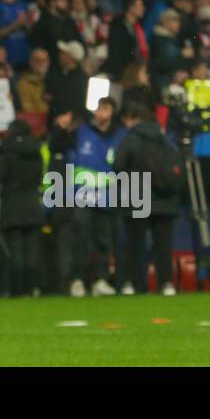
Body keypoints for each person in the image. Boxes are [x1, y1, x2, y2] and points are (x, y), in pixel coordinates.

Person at [114, 95, 182, 296]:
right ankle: (166, 283)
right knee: (163, 245)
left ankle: (138, 283)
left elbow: (118, 166)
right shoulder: (164, 137)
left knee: (136, 244)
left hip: (137, 196)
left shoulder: (130, 139)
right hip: (166, 198)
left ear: (131, 118)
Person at [0, 117, 47, 297]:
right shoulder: (36, 151)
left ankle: (18, 289)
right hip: (33, 204)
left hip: (12, 206)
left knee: (15, 251)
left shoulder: (8, 152)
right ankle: (33, 287)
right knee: (32, 251)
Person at [67, 96, 125, 296]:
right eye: (99, 108)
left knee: (103, 239)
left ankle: (100, 280)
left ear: (112, 113)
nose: (101, 112)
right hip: (82, 194)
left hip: (106, 196)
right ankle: (78, 280)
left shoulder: (119, 136)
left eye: (106, 108)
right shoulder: (81, 132)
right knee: (81, 238)